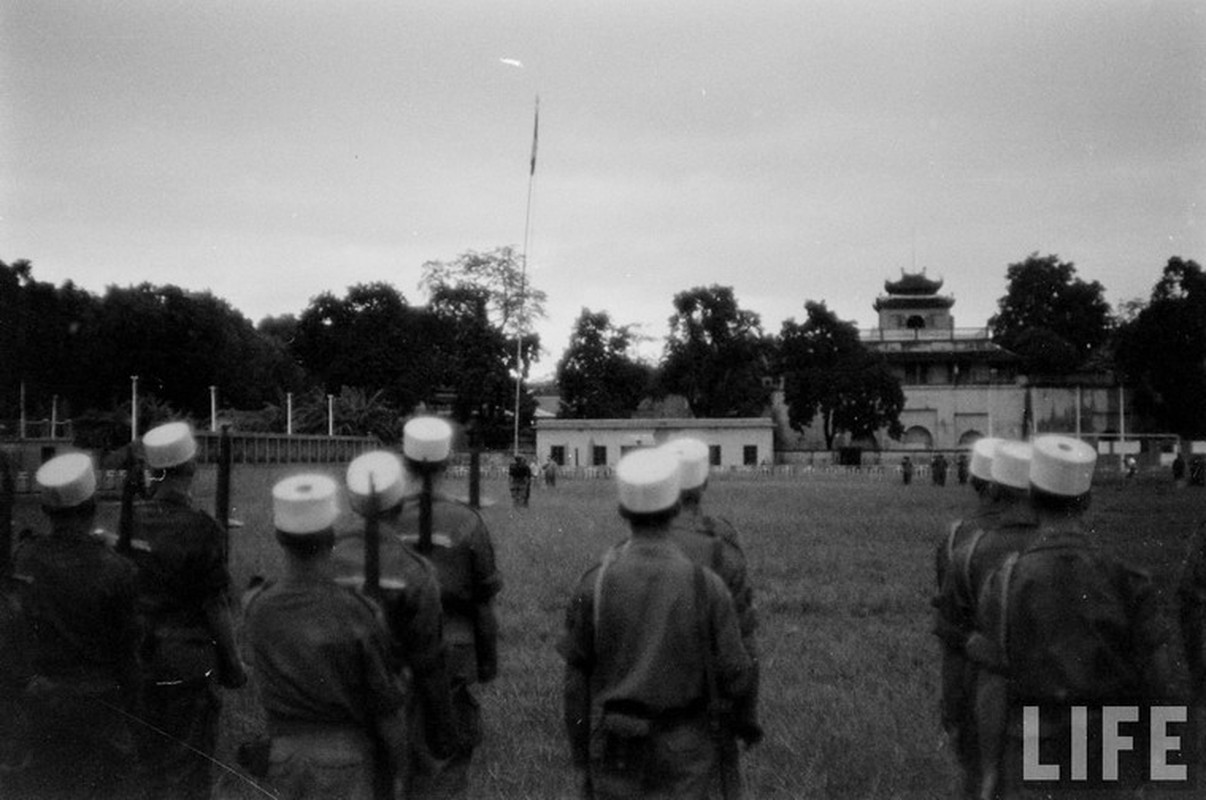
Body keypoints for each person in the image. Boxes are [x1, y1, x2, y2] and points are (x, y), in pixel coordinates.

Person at [969, 435, 1176, 799]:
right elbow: (1158, 675)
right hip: (1111, 740)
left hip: (1035, 739)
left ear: (1031, 497)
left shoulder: (1005, 580)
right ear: (1087, 501)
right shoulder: (1128, 577)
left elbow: (992, 686)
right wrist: (1157, 759)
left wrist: (989, 771)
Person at [560, 447, 755, 800]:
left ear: (622, 510)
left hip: (616, 746)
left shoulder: (595, 583)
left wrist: (580, 762)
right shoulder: (706, 585)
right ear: (674, 507)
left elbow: (575, 685)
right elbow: (737, 673)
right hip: (687, 748)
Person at [244, 473, 409, 800]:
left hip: (282, 756)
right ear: (332, 537)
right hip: (343, 760)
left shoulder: (257, 607)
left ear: (279, 536)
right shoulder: (356, 609)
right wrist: (400, 773)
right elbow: (386, 708)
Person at [10, 453, 143, 799]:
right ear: (93, 504)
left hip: (40, 703)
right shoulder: (116, 570)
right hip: (99, 708)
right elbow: (127, 652)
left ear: (45, 511)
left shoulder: (24, 557)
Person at [130, 421, 247, 800]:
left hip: (138, 658)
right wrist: (233, 664)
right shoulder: (203, 529)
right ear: (192, 467)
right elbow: (216, 605)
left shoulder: (130, 521)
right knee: (188, 778)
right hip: (188, 661)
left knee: (147, 770)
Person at [333, 450, 459, 795]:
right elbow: (429, 661)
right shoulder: (415, 572)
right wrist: (442, 730)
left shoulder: (323, 562)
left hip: (328, 709)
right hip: (398, 708)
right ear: (400, 504)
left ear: (353, 501)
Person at [395, 416, 502, 799]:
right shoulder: (467, 522)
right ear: (446, 463)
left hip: (393, 651)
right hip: (452, 652)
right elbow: (484, 606)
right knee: (448, 756)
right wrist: (488, 663)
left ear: (404, 461)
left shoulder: (382, 520)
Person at [931, 438, 1038, 800]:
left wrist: (952, 701)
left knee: (980, 780)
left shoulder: (956, 539)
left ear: (979, 482)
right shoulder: (1044, 537)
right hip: (1051, 683)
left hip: (977, 682)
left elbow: (952, 633)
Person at [661, 437, 762, 759]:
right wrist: (746, 715)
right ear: (704, 481)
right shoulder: (723, 548)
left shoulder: (630, 547)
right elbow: (744, 642)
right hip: (705, 716)